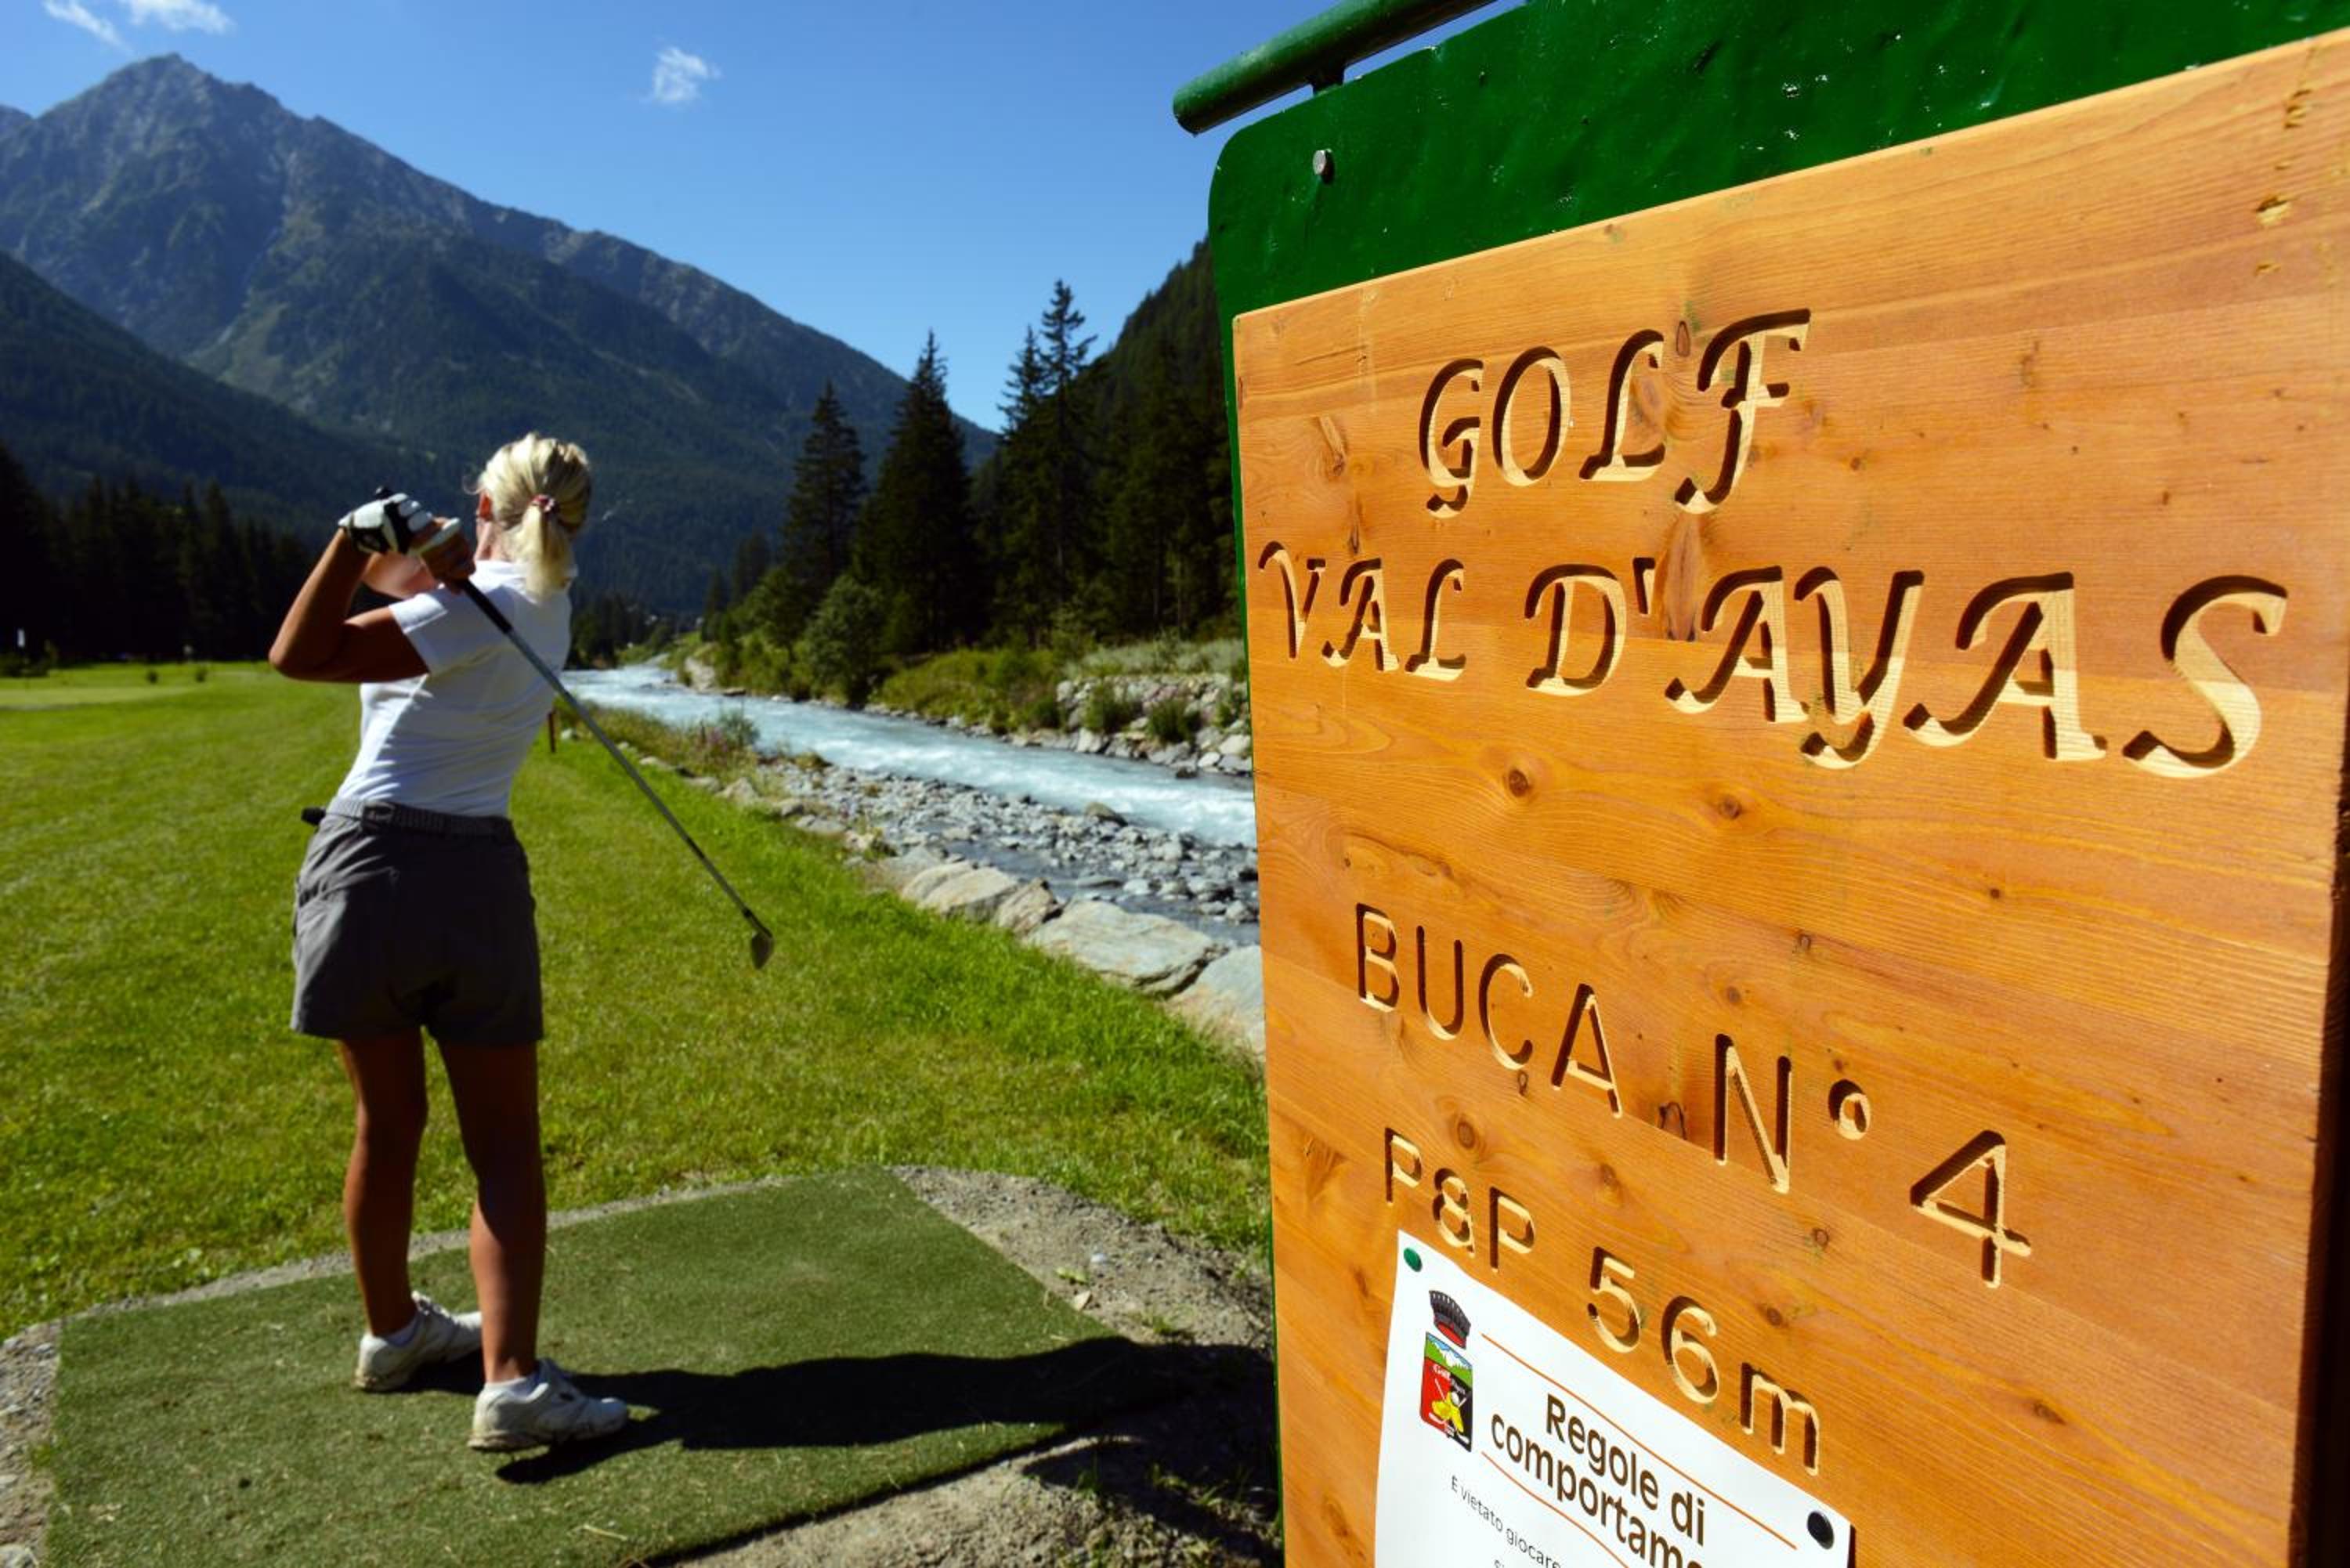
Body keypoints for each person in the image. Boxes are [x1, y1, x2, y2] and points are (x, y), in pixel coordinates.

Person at [268, 433, 626, 1452]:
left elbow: (300, 654)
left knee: (387, 1122)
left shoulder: (474, 607)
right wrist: (419, 550)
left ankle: (393, 1333)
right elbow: (417, 591)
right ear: (571, 522)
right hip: (473, 881)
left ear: (484, 506)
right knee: (503, 1143)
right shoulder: (541, 605)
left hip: (365, 866)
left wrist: (350, 541)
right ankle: (508, 1382)